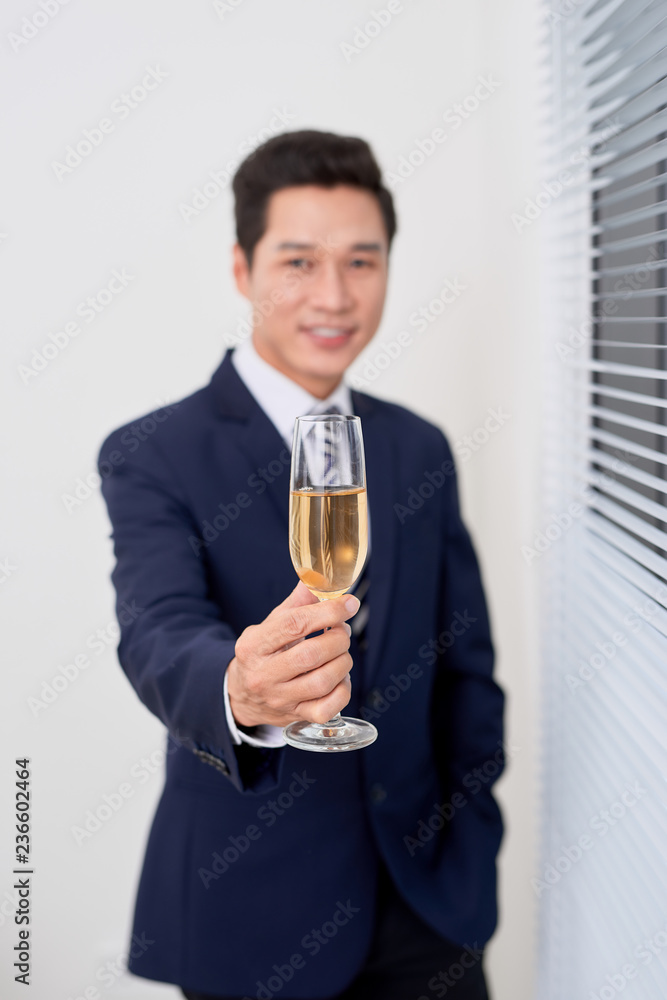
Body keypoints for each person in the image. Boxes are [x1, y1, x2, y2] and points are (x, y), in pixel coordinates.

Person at [97, 129, 505, 1000]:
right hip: (251, 916)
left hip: (429, 909)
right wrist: (240, 691)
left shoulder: (418, 447)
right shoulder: (153, 453)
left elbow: (465, 667)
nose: (333, 295)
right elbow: (158, 631)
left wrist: (472, 838)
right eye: (298, 262)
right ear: (241, 269)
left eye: (362, 261)